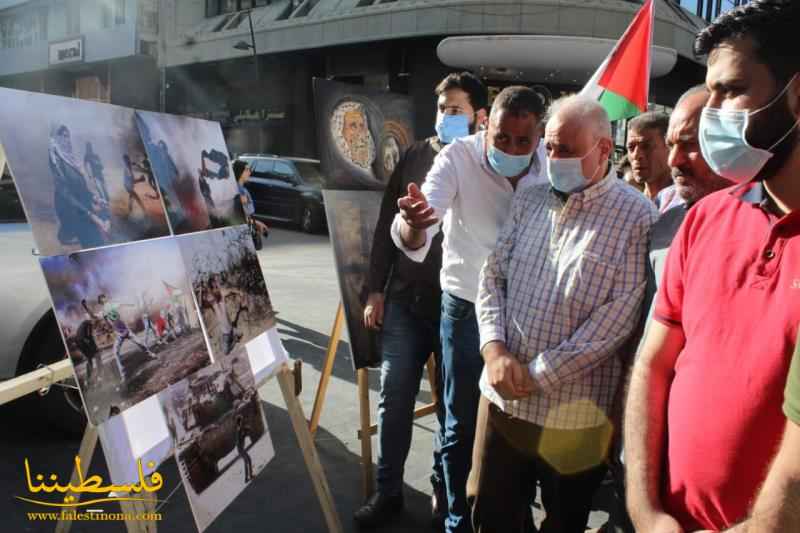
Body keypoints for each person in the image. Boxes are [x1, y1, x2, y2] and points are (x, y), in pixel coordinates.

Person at [625, 2, 800, 532]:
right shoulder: (703, 220)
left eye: (731, 90)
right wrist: (644, 509)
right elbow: (653, 366)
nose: (714, 112)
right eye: (712, 90)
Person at [467, 95, 656, 533]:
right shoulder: (530, 199)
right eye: (549, 148)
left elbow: (615, 323)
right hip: (502, 400)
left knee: (563, 522)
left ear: (605, 149)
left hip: (577, 416)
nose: (553, 159)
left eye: (566, 150)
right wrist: (494, 350)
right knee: (490, 514)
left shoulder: (637, 217)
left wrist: (534, 375)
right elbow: (492, 277)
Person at [392, 85, 548, 533]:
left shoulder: (553, 165)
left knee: (515, 422)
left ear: (539, 137)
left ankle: (509, 515)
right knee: (460, 422)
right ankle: (457, 518)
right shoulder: (457, 157)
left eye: (524, 142)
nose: (512, 150)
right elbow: (423, 216)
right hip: (465, 308)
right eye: (502, 138)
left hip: (526, 310)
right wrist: (414, 223)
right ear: (486, 125)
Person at [354, 72, 488, 529]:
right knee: (394, 397)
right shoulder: (414, 156)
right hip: (406, 304)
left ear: (479, 116)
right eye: (441, 109)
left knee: (454, 409)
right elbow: (384, 230)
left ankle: (439, 488)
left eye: (456, 110)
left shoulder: (488, 162)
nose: (446, 117)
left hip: (461, 309)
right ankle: (387, 492)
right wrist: (375, 289)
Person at [598, 84, 734, 533]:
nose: (676, 160)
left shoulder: (774, 235)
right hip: (648, 420)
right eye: (672, 144)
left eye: (689, 144)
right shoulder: (662, 227)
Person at [49, 125, 110, 248]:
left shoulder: (71, 160)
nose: (68, 139)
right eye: (64, 136)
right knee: (94, 247)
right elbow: (66, 194)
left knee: (99, 242)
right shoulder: (57, 162)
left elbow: (82, 190)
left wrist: (96, 198)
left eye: (68, 136)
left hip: (84, 209)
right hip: (74, 212)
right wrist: (91, 215)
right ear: (56, 138)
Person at [85, 295, 157, 383]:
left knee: (140, 343)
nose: (105, 298)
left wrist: (131, 305)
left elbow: (122, 304)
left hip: (126, 330)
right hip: (119, 334)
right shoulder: (103, 312)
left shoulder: (112, 305)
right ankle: (123, 374)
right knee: (116, 353)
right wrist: (85, 307)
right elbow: (93, 316)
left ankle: (150, 354)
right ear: (101, 301)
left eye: (105, 297)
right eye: (103, 298)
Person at [626, 112, 676, 210]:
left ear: (670, 146)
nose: (636, 155)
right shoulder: (627, 204)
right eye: (631, 147)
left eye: (646, 146)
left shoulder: (686, 204)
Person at [233, 160, 269, 243]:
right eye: (246, 169)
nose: (249, 172)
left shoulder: (243, 189)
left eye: (249, 169)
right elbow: (239, 214)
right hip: (240, 230)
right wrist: (256, 223)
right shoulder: (237, 190)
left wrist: (255, 223)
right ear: (239, 171)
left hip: (246, 227)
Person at [235, 414, 254, 484]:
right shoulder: (239, 429)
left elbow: (243, 434)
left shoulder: (240, 428)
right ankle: (248, 477)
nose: (242, 421)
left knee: (247, 461)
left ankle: (248, 477)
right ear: (239, 422)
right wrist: (246, 432)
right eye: (241, 420)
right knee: (248, 460)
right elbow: (241, 437)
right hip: (240, 449)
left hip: (240, 448)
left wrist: (246, 432)